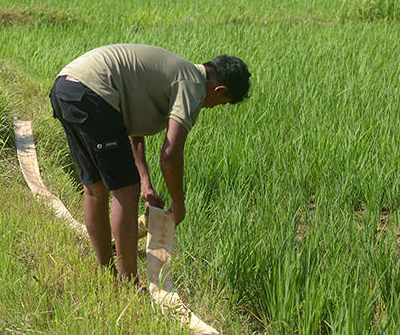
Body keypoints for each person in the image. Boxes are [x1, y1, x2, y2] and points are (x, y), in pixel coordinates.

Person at [49, 44, 251, 282]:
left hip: (65, 87)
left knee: (95, 187)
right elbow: (170, 156)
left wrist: (145, 183)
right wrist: (178, 204)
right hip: (93, 94)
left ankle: (107, 274)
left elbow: (132, 132)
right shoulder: (193, 86)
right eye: (222, 102)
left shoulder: (176, 73)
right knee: (125, 191)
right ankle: (128, 282)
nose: (214, 107)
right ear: (219, 89)